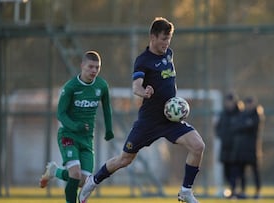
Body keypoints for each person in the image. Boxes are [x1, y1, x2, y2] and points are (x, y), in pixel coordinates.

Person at [78, 17, 205, 203]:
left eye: (169, 39)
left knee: (198, 146)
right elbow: (136, 86)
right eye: (163, 38)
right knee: (124, 159)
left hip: (171, 120)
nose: (166, 43)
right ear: (152, 37)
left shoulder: (169, 54)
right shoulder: (143, 60)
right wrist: (144, 92)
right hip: (149, 122)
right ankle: (93, 180)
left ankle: (185, 191)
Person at [39, 50, 115, 203]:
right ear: (82, 66)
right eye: (91, 67)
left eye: (97, 67)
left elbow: (106, 108)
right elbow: (60, 113)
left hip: (87, 139)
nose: (94, 70)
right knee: (74, 174)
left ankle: (55, 171)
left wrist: (108, 129)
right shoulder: (71, 87)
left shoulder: (101, 86)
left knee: (84, 182)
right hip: (68, 135)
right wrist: (75, 126)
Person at [229, 96, 264, 199]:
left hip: (253, 148)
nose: (249, 105)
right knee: (241, 172)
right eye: (247, 103)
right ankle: (243, 191)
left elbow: (249, 126)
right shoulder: (243, 114)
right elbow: (236, 127)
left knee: (255, 171)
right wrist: (244, 125)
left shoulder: (257, 114)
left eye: (250, 103)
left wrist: (243, 125)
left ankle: (258, 192)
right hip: (242, 149)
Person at [215, 92, 243, 197]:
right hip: (225, 147)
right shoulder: (223, 114)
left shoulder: (240, 114)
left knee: (235, 171)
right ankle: (232, 191)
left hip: (236, 148)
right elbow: (217, 127)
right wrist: (221, 135)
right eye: (227, 101)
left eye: (230, 101)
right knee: (226, 172)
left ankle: (235, 191)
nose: (229, 103)